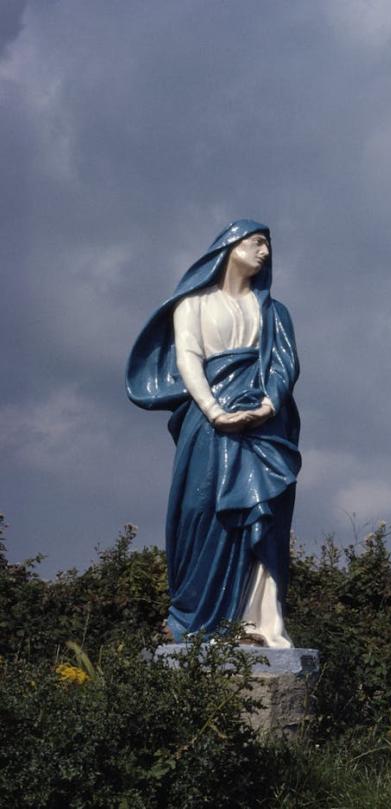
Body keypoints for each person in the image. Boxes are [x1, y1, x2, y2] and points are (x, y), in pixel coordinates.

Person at [127, 220, 300, 648]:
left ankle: (253, 623)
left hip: (264, 427)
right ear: (230, 247)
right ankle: (194, 619)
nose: (265, 252)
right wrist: (216, 412)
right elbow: (188, 359)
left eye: (268, 246)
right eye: (256, 242)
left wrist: (267, 406)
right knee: (200, 509)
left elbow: (284, 364)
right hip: (210, 421)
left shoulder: (274, 313)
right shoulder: (194, 303)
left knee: (261, 514)